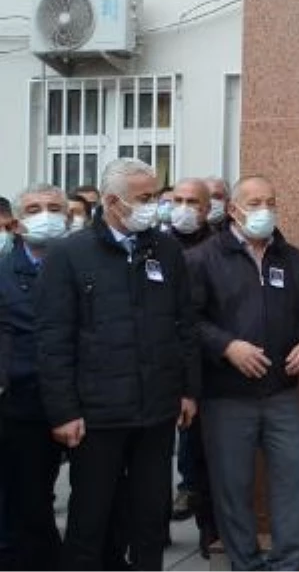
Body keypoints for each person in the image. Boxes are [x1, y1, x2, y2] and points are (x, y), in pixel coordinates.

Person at [36, 158, 199, 572]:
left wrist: (187, 390)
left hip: (156, 411)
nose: (154, 206)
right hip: (96, 415)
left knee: (149, 519)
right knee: (90, 520)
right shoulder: (69, 254)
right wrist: (64, 411)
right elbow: (54, 339)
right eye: (145, 198)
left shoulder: (165, 249)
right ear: (111, 201)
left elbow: (185, 325)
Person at [190, 175, 299, 572]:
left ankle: (288, 564)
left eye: (270, 201)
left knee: (291, 481)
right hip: (226, 397)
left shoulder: (291, 257)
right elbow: (187, 320)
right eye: (254, 202)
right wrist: (227, 346)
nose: (264, 209)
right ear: (233, 209)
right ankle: (246, 565)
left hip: (281, 394)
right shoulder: (203, 258)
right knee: (232, 488)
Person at [0, 184, 70, 571]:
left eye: (54, 207)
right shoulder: (5, 272)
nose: (46, 215)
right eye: (35, 208)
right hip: (25, 401)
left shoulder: (84, 263)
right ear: (18, 222)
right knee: (30, 498)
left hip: (82, 400)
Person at [165, 178, 215, 541]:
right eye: (177, 200)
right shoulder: (155, 244)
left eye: (192, 202)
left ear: (207, 207)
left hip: (201, 364)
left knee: (199, 452)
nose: (183, 208)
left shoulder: (218, 247)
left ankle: (207, 534)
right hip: (156, 363)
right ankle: (152, 534)